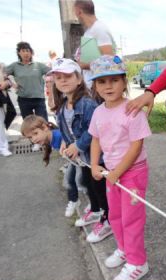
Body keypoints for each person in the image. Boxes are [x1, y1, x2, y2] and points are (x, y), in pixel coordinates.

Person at [89, 55, 151, 280]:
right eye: (101, 82)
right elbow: (95, 139)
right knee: (115, 214)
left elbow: (137, 145)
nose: (108, 86)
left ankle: (138, 262)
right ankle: (124, 249)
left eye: (114, 80)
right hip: (111, 172)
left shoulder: (133, 110)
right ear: (94, 86)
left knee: (132, 219)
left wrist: (116, 172)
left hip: (132, 173)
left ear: (125, 82)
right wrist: (95, 164)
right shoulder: (98, 111)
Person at [50, 58, 111, 242]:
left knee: (99, 188)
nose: (63, 80)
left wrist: (77, 145)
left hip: (95, 157)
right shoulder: (63, 105)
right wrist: (64, 143)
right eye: (58, 77)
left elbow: (94, 131)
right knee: (87, 183)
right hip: (82, 158)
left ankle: (107, 219)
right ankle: (94, 210)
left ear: (79, 79)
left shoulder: (87, 103)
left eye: (68, 76)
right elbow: (65, 128)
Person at [73, 0, 116, 87]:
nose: (76, 16)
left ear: (79, 11)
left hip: (100, 89)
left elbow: (110, 61)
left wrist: (81, 65)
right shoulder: (89, 31)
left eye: (74, 12)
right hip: (91, 87)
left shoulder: (99, 29)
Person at [6, 42, 50, 122]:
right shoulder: (14, 66)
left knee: (43, 122)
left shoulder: (39, 65)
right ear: (19, 53)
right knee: (29, 124)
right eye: (23, 51)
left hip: (39, 99)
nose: (26, 53)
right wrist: (11, 84)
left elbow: (53, 72)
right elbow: (1, 74)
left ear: (31, 53)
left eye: (27, 51)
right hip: (23, 99)